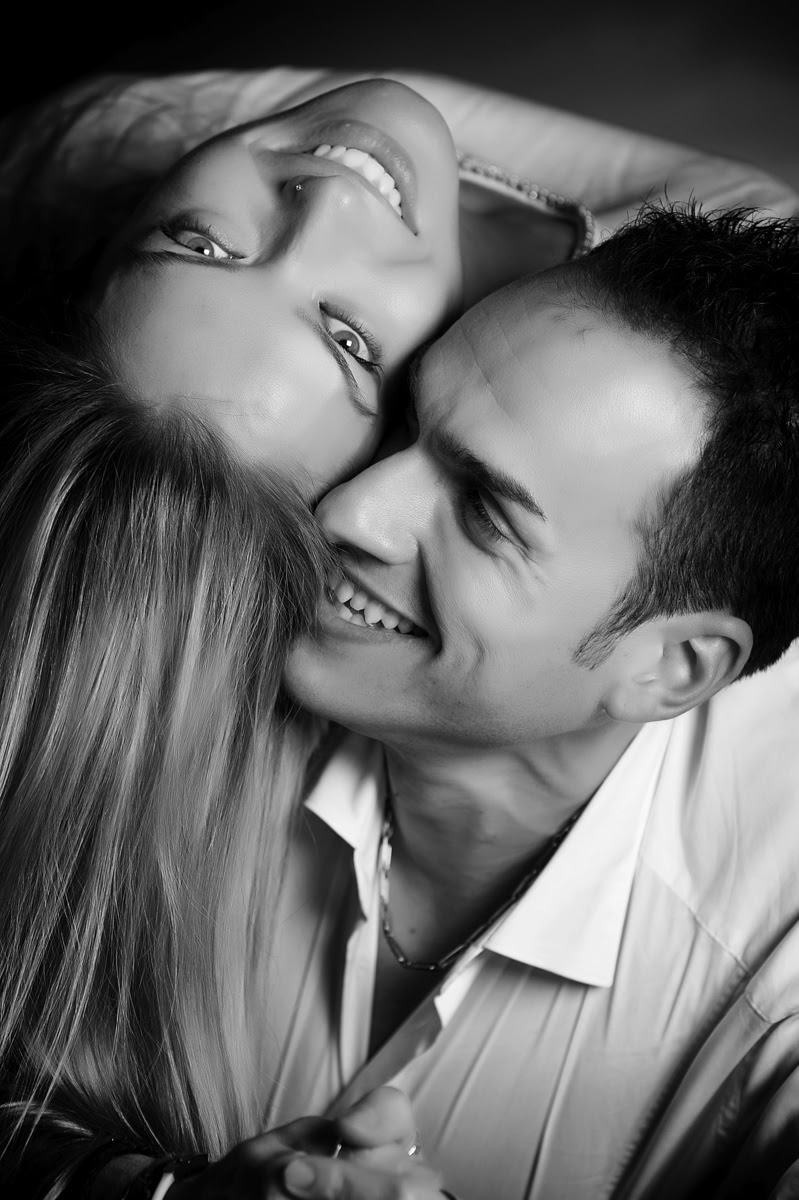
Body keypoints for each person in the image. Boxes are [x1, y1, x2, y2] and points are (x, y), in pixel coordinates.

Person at [256, 202, 799, 1200]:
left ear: (672, 666)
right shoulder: (193, 637)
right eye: (404, 419)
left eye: (483, 511)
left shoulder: (775, 990)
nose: (346, 511)